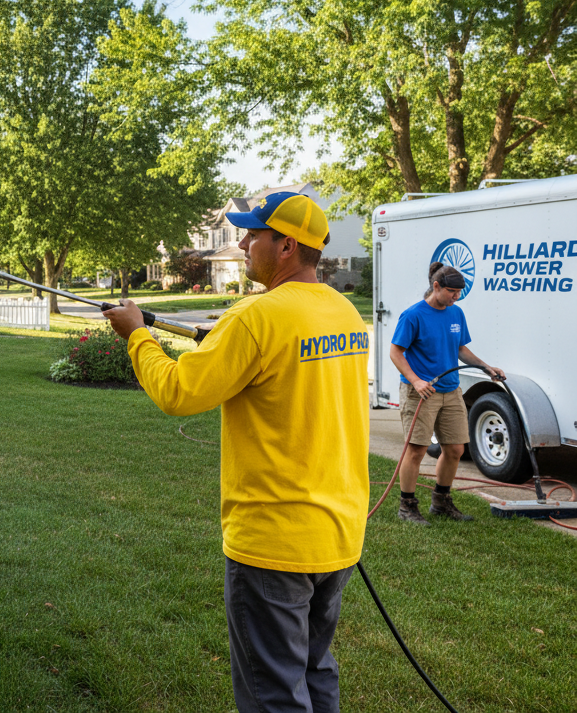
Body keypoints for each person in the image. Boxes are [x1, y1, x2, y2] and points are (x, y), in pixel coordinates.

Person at [103, 191, 369, 713]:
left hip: (274, 540)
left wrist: (137, 335)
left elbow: (178, 392)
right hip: (337, 532)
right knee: (315, 670)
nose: (244, 244)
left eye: (253, 235)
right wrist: (222, 343)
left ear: (286, 245)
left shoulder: (256, 316)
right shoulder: (343, 312)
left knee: (274, 695)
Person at [389, 263, 505, 525]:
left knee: (455, 449)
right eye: (452, 291)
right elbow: (395, 352)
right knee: (416, 451)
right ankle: (407, 506)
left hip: (451, 390)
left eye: (459, 292)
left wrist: (485, 367)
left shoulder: (456, 313)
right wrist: (416, 381)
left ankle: (441, 502)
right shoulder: (413, 315)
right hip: (421, 393)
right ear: (436, 286)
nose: (457, 296)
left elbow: (460, 349)